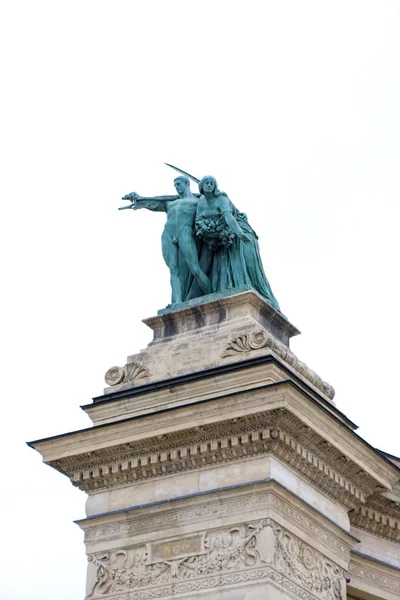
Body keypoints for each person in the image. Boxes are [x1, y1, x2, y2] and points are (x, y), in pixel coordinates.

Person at [190, 175, 280, 311]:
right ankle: (226, 287)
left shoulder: (222, 199)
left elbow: (229, 218)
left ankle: (241, 286)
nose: (209, 185)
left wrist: (240, 233)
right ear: (201, 186)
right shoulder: (201, 201)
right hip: (219, 237)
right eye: (206, 183)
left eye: (211, 183)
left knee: (239, 259)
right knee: (220, 258)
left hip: (238, 231)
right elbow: (199, 222)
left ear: (215, 186)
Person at [122, 176, 211, 304]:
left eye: (178, 184)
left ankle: (212, 293)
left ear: (186, 184)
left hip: (185, 232)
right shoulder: (170, 203)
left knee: (195, 268)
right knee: (174, 270)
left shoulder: (197, 202)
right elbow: (153, 203)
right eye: (175, 185)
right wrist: (139, 198)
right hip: (168, 234)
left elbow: (215, 206)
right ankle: (177, 302)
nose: (176, 187)